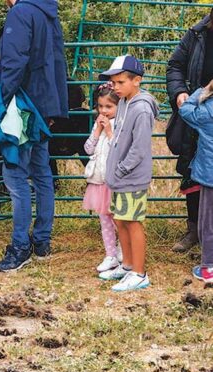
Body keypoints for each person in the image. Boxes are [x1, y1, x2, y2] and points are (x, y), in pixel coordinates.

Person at [0, 0, 68, 272]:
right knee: (41, 172)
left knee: (14, 173)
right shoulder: (48, 13)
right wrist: (53, 106)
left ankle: (20, 246)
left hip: (23, 105)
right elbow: (58, 61)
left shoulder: (21, 13)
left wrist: (0, 100)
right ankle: (42, 241)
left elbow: (14, 61)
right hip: (44, 104)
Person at [98, 55, 159, 292]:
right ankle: (127, 265)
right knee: (121, 219)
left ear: (137, 80)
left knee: (133, 222)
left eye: (121, 82)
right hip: (120, 176)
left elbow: (139, 148)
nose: (116, 87)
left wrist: (122, 168)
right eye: (113, 82)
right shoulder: (124, 102)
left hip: (130, 177)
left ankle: (139, 272)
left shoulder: (142, 109)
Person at [166, 8, 212, 253]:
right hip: (197, 112)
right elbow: (175, 66)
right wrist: (179, 92)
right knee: (192, 170)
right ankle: (194, 229)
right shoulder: (196, 34)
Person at [83, 83, 122, 273]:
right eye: (100, 106)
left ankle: (124, 251)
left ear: (118, 106)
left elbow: (119, 148)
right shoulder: (96, 125)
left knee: (120, 219)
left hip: (115, 181)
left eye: (109, 107)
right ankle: (110, 255)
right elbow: (88, 149)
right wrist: (97, 132)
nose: (104, 111)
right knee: (105, 219)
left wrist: (108, 131)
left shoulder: (121, 123)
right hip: (99, 181)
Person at [178, 80, 213, 283]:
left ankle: (208, 266)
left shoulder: (206, 111)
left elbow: (186, 109)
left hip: (210, 176)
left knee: (208, 223)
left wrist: (202, 90)